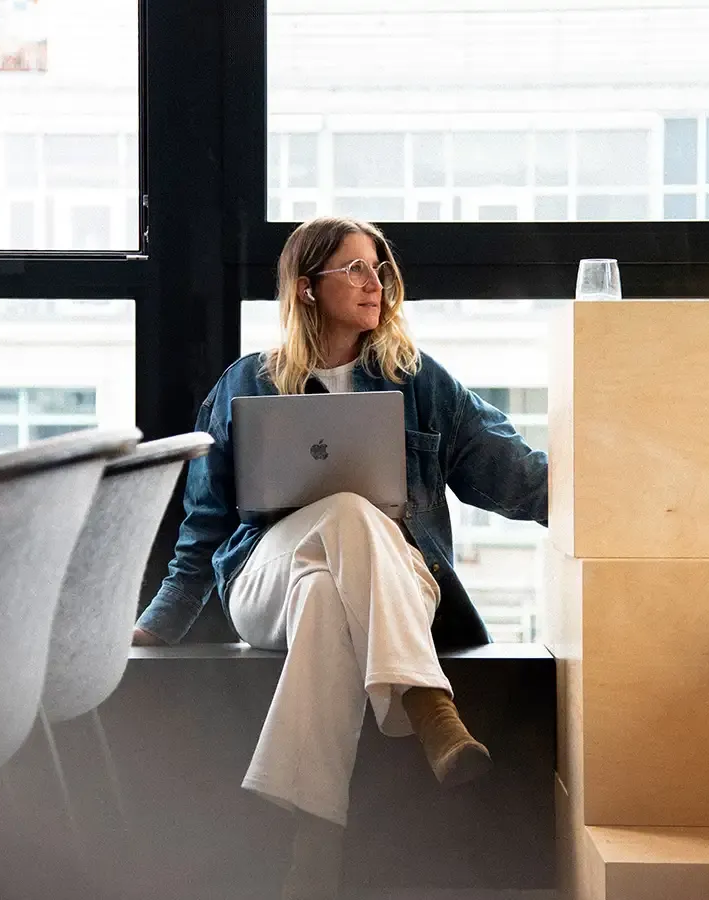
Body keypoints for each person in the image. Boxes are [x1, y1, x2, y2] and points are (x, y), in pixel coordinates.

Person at [132, 216, 549, 899]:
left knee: (328, 590)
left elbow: (508, 469)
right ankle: (427, 706)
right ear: (304, 288)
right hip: (264, 581)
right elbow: (203, 524)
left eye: (379, 268)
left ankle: (313, 848)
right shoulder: (246, 384)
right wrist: (159, 623)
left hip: (390, 583)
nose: (374, 282)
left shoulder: (419, 380)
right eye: (353, 269)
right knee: (351, 511)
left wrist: (602, 491)